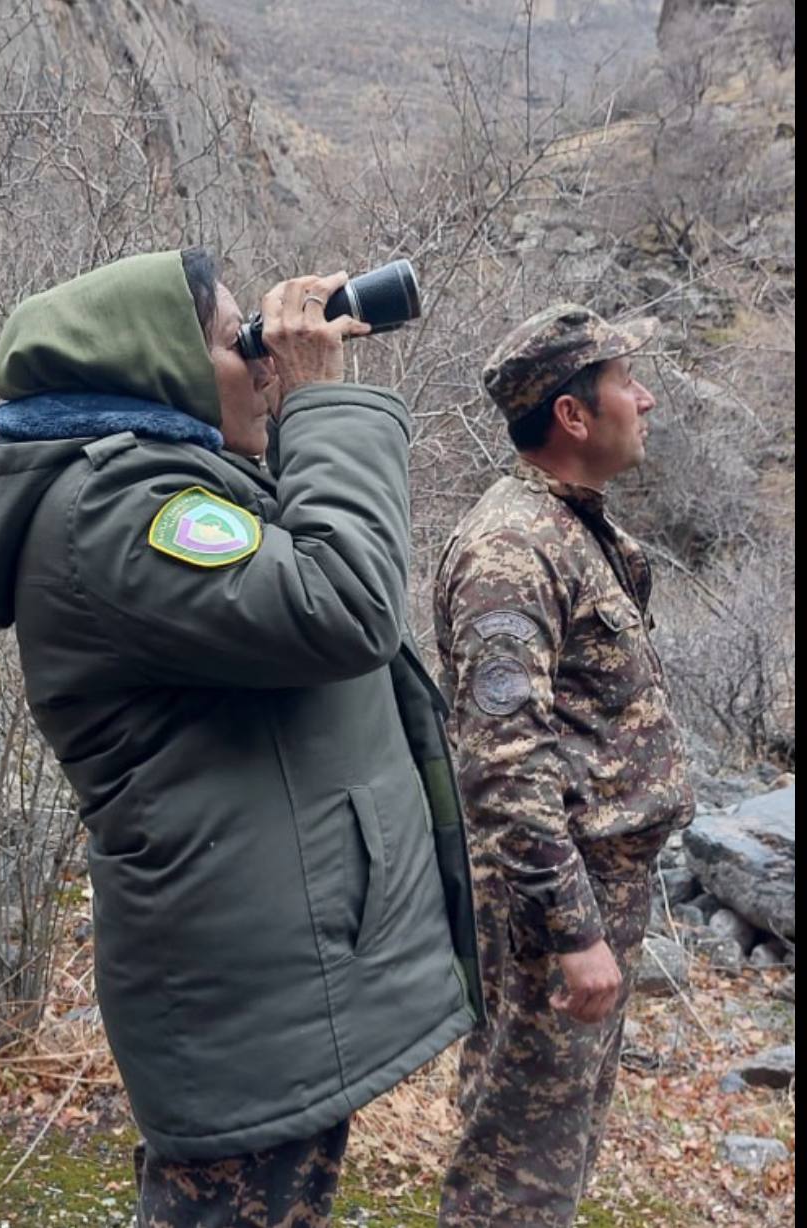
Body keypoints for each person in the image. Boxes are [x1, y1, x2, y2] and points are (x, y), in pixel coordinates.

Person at [0, 248, 483, 1227]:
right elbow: (346, 603)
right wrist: (321, 404)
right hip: (240, 1010)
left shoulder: (156, 489)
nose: (267, 363)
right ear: (162, 372)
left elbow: (296, 571)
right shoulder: (113, 517)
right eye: (241, 346)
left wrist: (287, 424)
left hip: (263, 990)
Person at [433, 303, 695, 1226]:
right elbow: (503, 765)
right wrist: (575, 930)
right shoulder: (513, 549)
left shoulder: (572, 528)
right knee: (516, 1167)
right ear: (572, 416)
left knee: (557, 1146)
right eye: (628, 382)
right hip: (552, 908)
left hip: (592, 892)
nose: (647, 397)